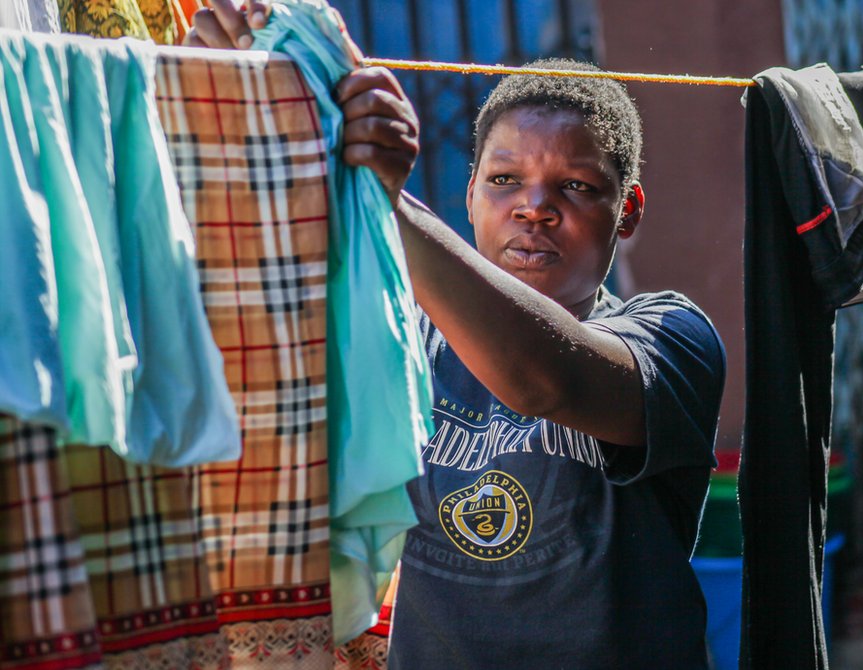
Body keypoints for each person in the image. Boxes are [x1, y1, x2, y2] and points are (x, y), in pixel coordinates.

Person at [188, 4, 726, 667]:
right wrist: (220, 100)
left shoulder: (674, 339)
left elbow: (542, 378)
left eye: (577, 186)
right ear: (468, 195)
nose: (534, 207)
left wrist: (382, 199)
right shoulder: (398, 333)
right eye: (504, 181)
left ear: (628, 211)